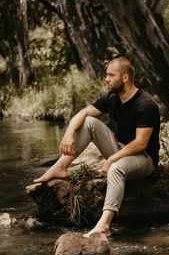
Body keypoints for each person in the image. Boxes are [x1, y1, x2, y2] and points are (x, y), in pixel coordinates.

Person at [34, 57, 160, 237]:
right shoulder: (112, 98)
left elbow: (140, 144)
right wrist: (69, 132)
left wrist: (111, 159)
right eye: (106, 75)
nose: (106, 79)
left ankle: (104, 225)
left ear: (125, 77)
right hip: (121, 149)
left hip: (144, 158)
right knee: (89, 122)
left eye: (110, 75)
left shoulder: (145, 104)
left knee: (116, 168)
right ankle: (60, 167)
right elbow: (84, 113)